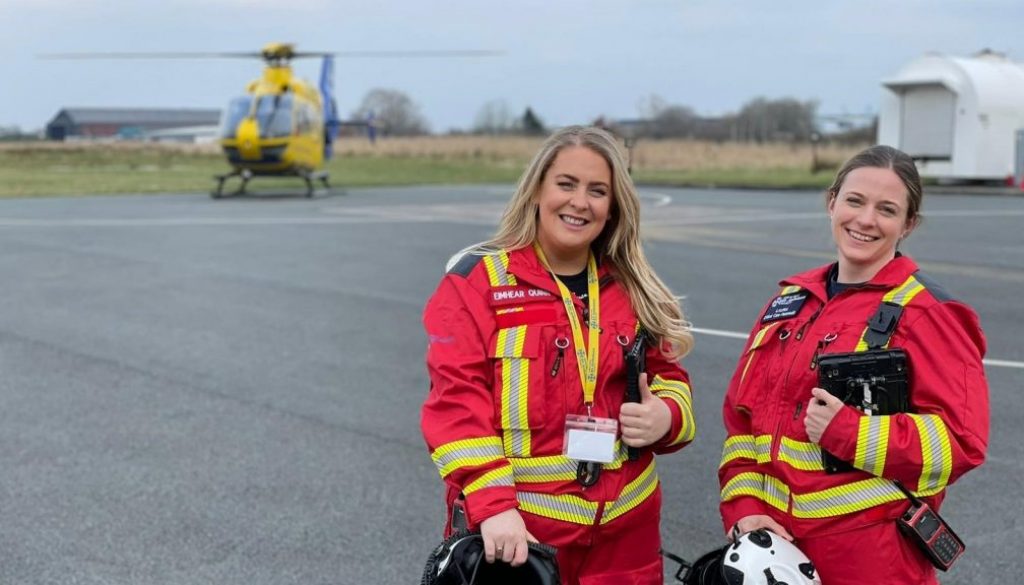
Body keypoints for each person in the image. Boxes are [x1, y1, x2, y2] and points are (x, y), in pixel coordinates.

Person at [421, 125, 696, 585]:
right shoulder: (478, 283)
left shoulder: (635, 289)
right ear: (537, 191)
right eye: (566, 184)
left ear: (612, 209)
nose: (579, 202)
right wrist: (495, 507)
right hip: (520, 537)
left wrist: (666, 415)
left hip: (625, 539)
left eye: (597, 191)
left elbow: (669, 376)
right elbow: (456, 404)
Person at [717, 145, 989, 585]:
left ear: (908, 225)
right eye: (855, 201)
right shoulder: (788, 304)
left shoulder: (929, 313)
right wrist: (745, 511)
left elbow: (961, 441)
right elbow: (742, 427)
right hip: (778, 556)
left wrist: (851, 432)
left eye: (887, 209)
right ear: (832, 202)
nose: (865, 220)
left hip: (871, 562)